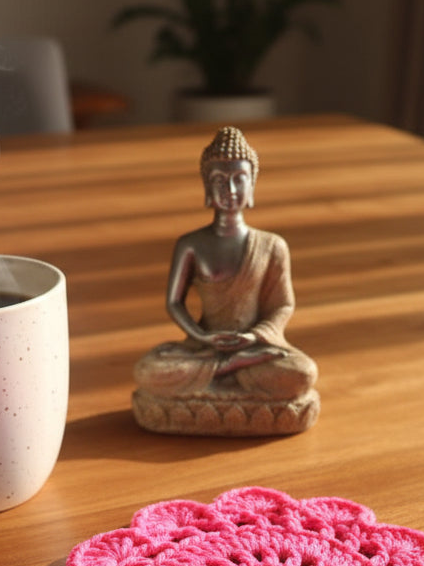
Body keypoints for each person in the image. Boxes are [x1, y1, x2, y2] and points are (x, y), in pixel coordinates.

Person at [133, 127, 317, 402]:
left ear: (252, 183)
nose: (230, 190)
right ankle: (229, 368)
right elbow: (174, 303)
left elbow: (283, 305)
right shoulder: (190, 244)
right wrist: (203, 337)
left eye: (239, 180)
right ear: (206, 185)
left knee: (303, 373)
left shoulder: (272, 245)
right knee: (149, 370)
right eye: (219, 181)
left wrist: (254, 338)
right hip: (205, 345)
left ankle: (225, 371)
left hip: (255, 348)